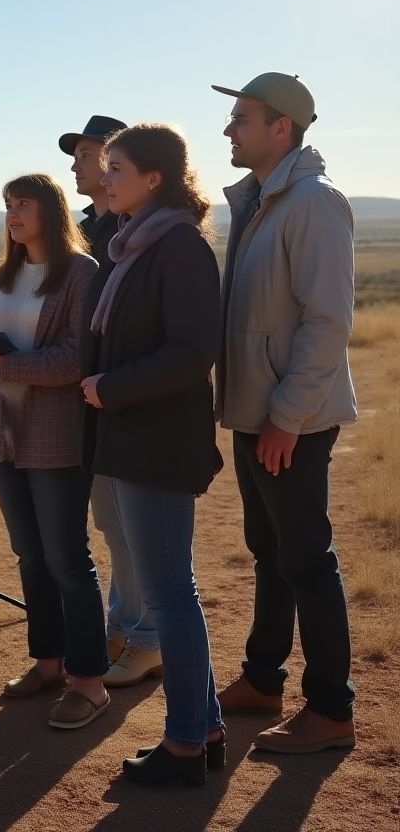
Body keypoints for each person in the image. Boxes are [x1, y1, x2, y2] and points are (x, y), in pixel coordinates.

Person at [211, 73, 357, 754]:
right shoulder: (261, 202)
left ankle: (330, 710)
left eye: (241, 119)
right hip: (255, 412)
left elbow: (327, 324)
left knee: (306, 559)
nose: (228, 131)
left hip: (289, 420)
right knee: (271, 552)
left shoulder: (313, 204)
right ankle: (263, 680)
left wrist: (287, 417)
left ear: (282, 129)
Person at [80, 123, 224, 786]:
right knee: (172, 592)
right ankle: (207, 729)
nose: (104, 177)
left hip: (159, 441)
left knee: (170, 598)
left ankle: (184, 748)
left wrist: (110, 387)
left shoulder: (179, 249)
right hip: (137, 438)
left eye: (116, 167)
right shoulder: (136, 244)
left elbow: (193, 352)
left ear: (154, 178)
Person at [0, 173, 110, 730]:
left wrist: (12, 364)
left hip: (53, 434)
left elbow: (79, 355)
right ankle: (47, 664)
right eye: (7, 204)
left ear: (50, 211)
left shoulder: (81, 272)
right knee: (29, 555)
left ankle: (89, 681)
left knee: (67, 560)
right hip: (0, 430)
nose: (12, 213)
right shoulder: (5, 273)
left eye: (23, 203)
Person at [60, 114, 163, 687]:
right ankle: (123, 626)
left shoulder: (137, 232)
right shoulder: (85, 229)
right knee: (112, 523)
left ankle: (146, 637)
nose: (74, 164)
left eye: (85, 154)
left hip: (121, 396)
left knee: (130, 525)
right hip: (93, 397)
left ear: (114, 161)